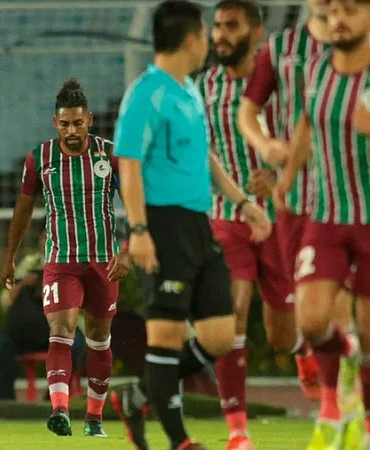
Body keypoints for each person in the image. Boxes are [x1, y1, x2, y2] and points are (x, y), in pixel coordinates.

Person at [113, 1, 272, 449]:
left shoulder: (189, 91)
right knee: (164, 337)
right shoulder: (146, 95)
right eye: (204, 33)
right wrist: (139, 232)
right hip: (161, 226)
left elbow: (204, 158)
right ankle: (180, 441)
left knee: (222, 336)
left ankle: (140, 395)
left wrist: (242, 203)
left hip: (200, 226)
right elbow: (129, 165)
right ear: (189, 40)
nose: (209, 41)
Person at [238, 2, 370, 445]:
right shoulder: (306, 62)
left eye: (350, 7)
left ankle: (364, 428)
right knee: (306, 323)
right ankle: (338, 382)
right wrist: (283, 173)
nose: (337, 13)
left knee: (369, 330)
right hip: (318, 212)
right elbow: (296, 122)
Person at [195, 2, 319, 448]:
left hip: (280, 219)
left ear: (256, 32)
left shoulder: (282, 86)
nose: (220, 35)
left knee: (283, 333)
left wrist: (278, 176)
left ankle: (302, 347)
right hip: (226, 217)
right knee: (234, 311)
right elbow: (199, 149)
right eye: (217, 26)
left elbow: (308, 140)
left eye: (231, 26)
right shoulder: (204, 86)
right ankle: (238, 431)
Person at [1, 78, 132, 438]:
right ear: (54, 123)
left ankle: (94, 418)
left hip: (104, 262)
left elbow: (137, 203)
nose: (72, 131)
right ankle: (60, 410)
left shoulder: (110, 155)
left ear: (89, 120)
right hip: (61, 261)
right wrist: (9, 256)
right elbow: (23, 210)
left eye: (78, 123)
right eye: (64, 124)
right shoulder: (40, 158)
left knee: (99, 339)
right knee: (60, 331)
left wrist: (128, 249)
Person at [0, 229, 85, 402]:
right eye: (45, 236)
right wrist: (23, 284)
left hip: (63, 329)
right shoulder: (29, 263)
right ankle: (4, 403)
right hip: (27, 328)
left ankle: (54, 401)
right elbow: (6, 301)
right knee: (1, 343)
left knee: (74, 345)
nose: (47, 241)